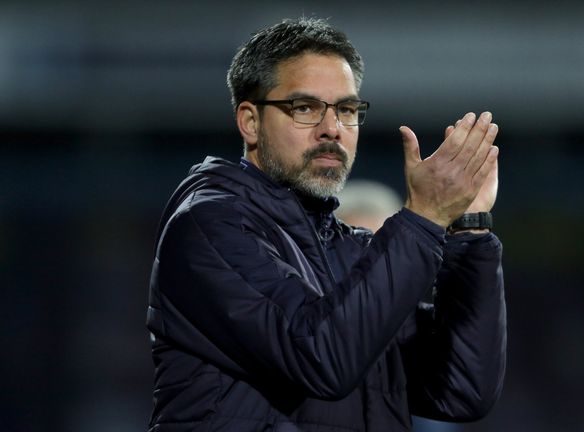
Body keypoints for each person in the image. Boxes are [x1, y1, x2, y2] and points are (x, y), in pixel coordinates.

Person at [146, 17, 505, 432]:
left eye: (347, 110)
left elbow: (461, 390)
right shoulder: (207, 227)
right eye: (305, 108)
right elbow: (321, 358)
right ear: (250, 121)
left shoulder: (354, 251)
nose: (332, 129)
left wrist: (469, 229)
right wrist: (424, 217)